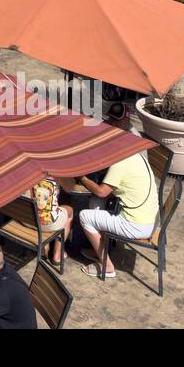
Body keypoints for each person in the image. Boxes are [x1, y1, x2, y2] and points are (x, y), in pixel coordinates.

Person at [73, 118, 157, 279]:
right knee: (95, 204)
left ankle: (107, 267)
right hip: (149, 217)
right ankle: (100, 248)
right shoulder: (136, 155)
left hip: (136, 225)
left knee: (84, 215)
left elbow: (102, 192)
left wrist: (83, 178)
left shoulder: (120, 162)